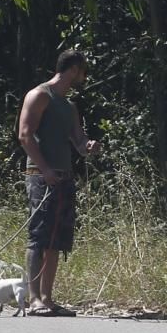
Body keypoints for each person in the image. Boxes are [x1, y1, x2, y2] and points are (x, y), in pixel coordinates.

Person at [17, 50, 101, 316]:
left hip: (64, 177)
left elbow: (77, 141)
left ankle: (47, 298)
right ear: (74, 69)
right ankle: (34, 300)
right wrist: (44, 170)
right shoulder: (40, 95)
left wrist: (88, 146)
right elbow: (25, 136)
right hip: (41, 176)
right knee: (39, 237)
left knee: (57, 239)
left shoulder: (68, 105)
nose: (84, 76)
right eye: (82, 70)